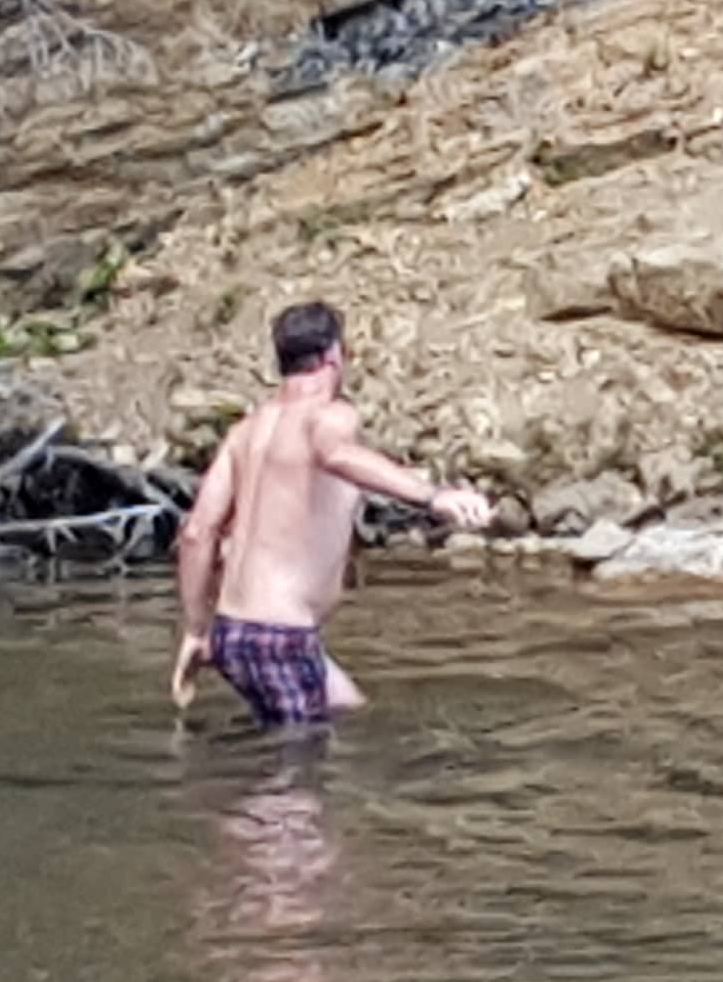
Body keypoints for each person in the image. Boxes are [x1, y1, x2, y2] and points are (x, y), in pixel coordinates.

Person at [166, 300, 493, 729]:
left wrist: (195, 630)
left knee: (348, 714)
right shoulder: (330, 415)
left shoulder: (245, 432)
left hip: (234, 632)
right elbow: (336, 454)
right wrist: (433, 497)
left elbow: (197, 532)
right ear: (333, 356)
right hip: (281, 635)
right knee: (299, 769)